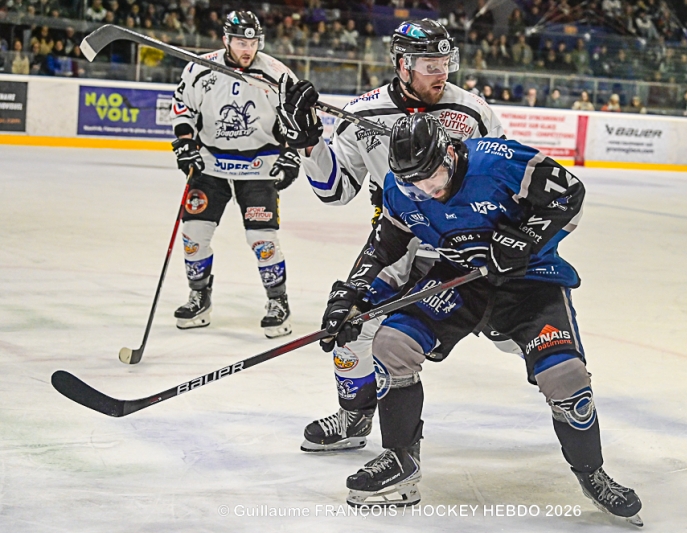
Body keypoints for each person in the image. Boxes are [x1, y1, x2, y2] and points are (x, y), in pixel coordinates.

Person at [318, 114, 643, 528]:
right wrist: (352, 294)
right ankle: (401, 459)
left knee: (565, 376)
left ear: (450, 154)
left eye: (432, 178)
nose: (427, 191)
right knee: (391, 344)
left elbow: (569, 193)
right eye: (414, 185)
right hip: (460, 280)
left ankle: (592, 473)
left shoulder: (497, 161)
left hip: (531, 282)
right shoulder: (400, 192)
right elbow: (383, 246)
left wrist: (526, 238)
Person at [277, 19, 510, 453]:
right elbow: (335, 190)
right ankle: (354, 417)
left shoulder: (474, 113)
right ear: (403, 65)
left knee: (514, 334)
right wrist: (310, 144)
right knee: (351, 323)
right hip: (397, 244)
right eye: (430, 65)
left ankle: (564, 380)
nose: (441, 73)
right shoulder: (364, 115)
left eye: (446, 63)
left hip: (466, 246)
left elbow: (503, 178)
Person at [169, 11, 301, 338]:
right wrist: (185, 143)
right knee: (193, 235)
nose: (247, 49)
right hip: (210, 164)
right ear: (226, 40)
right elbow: (183, 107)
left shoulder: (277, 74)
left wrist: (290, 153)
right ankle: (199, 297)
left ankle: (277, 301)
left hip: (259, 165)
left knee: (262, 239)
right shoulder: (200, 68)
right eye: (241, 42)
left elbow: (296, 118)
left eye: (253, 42)